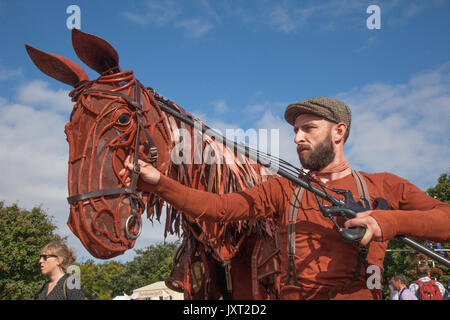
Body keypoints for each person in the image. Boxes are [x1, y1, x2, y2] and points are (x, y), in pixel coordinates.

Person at [120, 97, 450, 300]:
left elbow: (445, 219)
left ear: (339, 131)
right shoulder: (284, 188)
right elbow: (219, 209)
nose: (297, 137)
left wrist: (385, 222)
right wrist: (159, 182)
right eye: (295, 131)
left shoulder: (384, 185)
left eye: (309, 128)